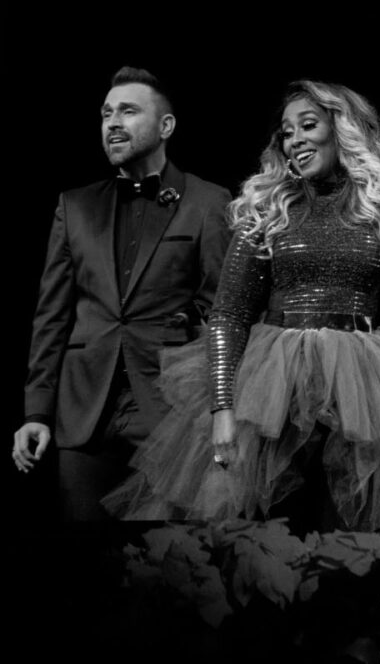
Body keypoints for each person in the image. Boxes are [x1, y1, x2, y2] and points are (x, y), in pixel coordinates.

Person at [103, 80, 380, 542]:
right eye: (287, 131)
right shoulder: (268, 211)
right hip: (274, 389)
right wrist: (222, 408)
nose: (294, 140)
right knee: (267, 537)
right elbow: (229, 315)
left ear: (342, 131)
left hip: (365, 392)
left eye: (307, 126)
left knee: (357, 537)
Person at [13, 67, 231, 521]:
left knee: (163, 565)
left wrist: (217, 405)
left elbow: (222, 311)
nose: (112, 123)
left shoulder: (208, 202)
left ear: (165, 126)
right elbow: (51, 316)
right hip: (83, 412)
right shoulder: (74, 206)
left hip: (168, 411)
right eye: (106, 113)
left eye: (128, 111)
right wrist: (36, 411)